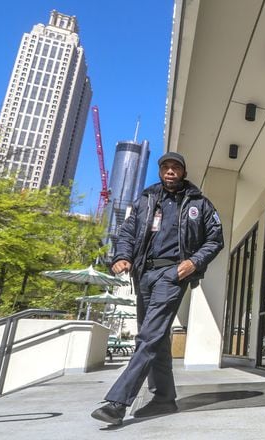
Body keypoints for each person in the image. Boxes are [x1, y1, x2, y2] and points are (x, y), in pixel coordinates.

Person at [91, 151, 224, 425]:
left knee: (149, 335)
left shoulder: (199, 202)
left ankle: (118, 402)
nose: (171, 171)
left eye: (176, 167)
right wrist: (122, 256)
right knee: (156, 337)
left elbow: (215, 238)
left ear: (184, 172)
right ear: (161, 171)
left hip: (173, 274)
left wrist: (193, 262)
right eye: (166, 167)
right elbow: (128, 232)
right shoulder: (147, 199)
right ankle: (164, 398)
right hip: (145, 274)